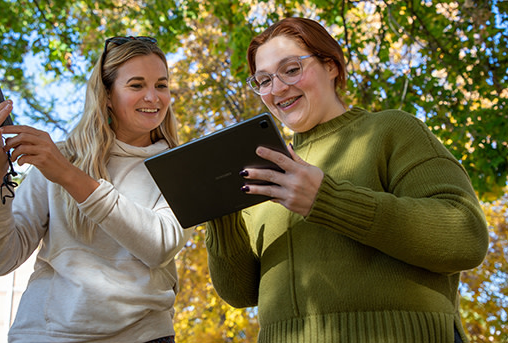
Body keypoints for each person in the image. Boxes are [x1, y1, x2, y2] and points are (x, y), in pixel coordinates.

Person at [205, 17, 488, 343]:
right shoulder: (263, 171)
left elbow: (466, 237)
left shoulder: (391, 130)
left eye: (292, 70)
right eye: (263, 80)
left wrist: (326, 199)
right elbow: (241, 293)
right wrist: (217, 210)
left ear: (331, 66)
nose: (278, 88)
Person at [0, 36, 192, 343]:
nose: (153, 97)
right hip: (45, 335)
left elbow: (160, 245)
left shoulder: (180, 165)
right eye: (137, 85)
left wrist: (71, 177)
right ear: (108, 95)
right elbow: (0, 259)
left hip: (143, 336)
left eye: (161, 85)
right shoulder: (59, 158)